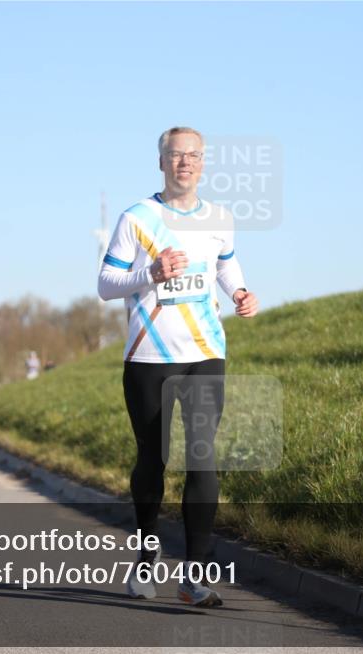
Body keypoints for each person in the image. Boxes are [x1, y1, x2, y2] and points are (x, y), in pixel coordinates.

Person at [97, 126, 259, 607]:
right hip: (150, 357)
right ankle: (147, 558)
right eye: (175, 154)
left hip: (206, 352)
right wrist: (151, 273)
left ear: (203, 162)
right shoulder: (137, 218)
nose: (184, 162)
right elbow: (106, 284)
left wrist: (240, 293)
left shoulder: (220, 218)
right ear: (161, 161)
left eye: (192, 155)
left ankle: (194, 575)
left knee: (204, 459)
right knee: (154, 459)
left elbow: (225, 263)